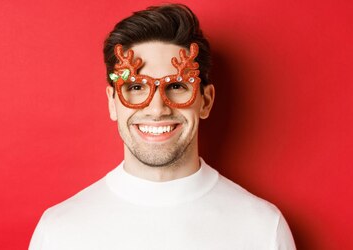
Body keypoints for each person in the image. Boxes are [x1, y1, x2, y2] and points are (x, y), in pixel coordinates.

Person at [29, 4, 296, 250]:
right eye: (135, 87)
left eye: (177, 86)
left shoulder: (263, 229)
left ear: (206, 101)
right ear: (113, 102)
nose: (157, 109)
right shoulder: (59, 232)